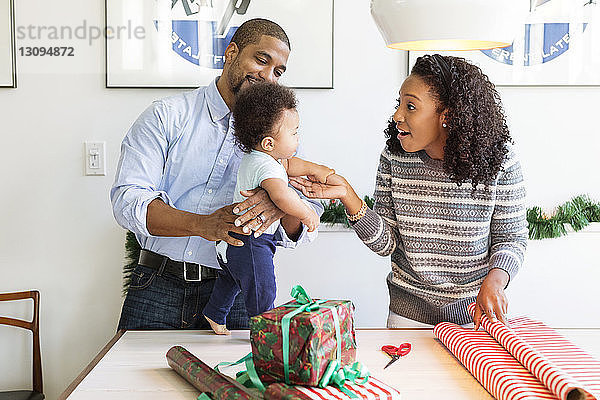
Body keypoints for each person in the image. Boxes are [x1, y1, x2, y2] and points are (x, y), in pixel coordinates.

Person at [111, 18, 323, 331]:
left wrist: (280, 203)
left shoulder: (279, 136)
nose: (268, 76)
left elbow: (303, 221)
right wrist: (202, 224)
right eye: (261, 60)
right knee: (131, 381)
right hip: (156, 287)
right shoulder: (166, 116)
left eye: (278, 71)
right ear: (231, 52)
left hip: (234, 295)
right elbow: (128, 201)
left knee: (239, 381)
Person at [291, 54, 527, 329]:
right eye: (399, 104)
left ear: (446, 116)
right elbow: (386, 244)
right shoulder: (394, 158)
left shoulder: (499, 162)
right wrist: (348, 196)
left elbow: (511, 239)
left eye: (411, 106)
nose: (397, 116)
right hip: (408, 317)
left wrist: (495, 282)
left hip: (475, 315)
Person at [203, 82, 333, 334]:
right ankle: (265, 332)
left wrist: (313, 169)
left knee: (230, 278)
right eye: (294, 133)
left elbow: (291, 164)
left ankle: (215, 313)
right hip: (252, 241)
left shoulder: (260, 158)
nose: (298, 137)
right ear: (270, 144)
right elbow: (282, 197)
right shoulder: (267, 168)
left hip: (236, 239)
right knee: (262, 287)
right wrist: (306, 212)